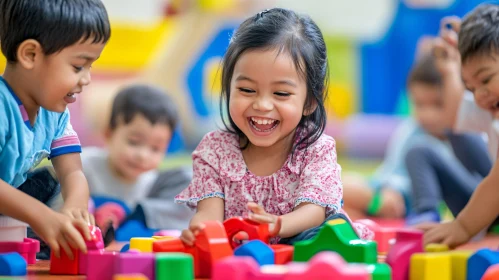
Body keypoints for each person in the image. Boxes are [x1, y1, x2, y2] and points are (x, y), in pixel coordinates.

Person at [175, 8, 372, 246]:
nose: (262, 105)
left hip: (299, 241)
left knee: (326, 234)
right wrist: (202, 231)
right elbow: (209, 214)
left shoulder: (315, 149)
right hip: (241, 251)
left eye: (280, 93)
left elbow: (314, 211)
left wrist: (277, 225)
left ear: (309, 101)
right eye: (247, 90)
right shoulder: (215, 150)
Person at [0, 0, 110, 259]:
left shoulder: (56, 113)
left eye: (90, 67)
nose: (86, 80)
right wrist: (42, 217)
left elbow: (72, 172)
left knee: (51, 182)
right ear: (30, 55)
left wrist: (74, 208)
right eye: (77, 66)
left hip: (12, 204)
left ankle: (41, 240)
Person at [342, 53, 491, 226]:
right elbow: (393, 167)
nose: (427, 114)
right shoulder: (411, 129)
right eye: (419, 105)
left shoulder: (467, 137)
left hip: (409, 200)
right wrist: (386, 193)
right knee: (343, 186)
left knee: (348, 191)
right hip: (389, 191)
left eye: (437, 104)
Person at [417, 4, 499, 248]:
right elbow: (456, 117)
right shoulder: (492, 106)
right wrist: (452, 68)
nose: (480, 95)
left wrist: (462, 226)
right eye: (471, 87)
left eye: (485, 79)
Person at [81, 84, 193, 232]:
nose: (143, 155)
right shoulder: (83, 165)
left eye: (155, 148)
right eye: (134, 142)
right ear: (109, 133)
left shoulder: (152, 183)